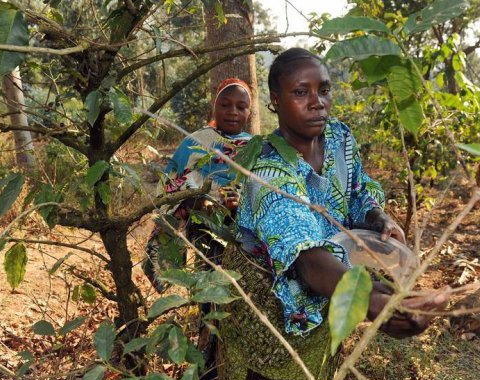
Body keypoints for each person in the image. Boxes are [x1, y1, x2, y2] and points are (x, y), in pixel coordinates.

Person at [236, 48, 449, 337]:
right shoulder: (268, 172)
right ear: (275, 100)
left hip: (333, 287)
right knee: (271, 377)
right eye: (301, 93)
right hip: (271, 310)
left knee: (322, 370)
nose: (318, 103)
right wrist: (371, 300)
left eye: (324, 90)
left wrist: (376, 215)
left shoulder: (338, 136)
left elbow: (358, 188)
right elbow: (307, 257)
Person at [143, 78, 253, 292]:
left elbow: (261, 192)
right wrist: (199, 201)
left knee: (236, 291)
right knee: (207, 282)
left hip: (241, 229)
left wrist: (237, 206)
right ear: (214, 106)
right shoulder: (195, 142)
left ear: (249, 112)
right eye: (225, 105)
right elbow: (169, 187)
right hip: (201, 224)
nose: (233, 112)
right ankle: (204, 321)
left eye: (241, 107)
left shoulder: (255, 148)